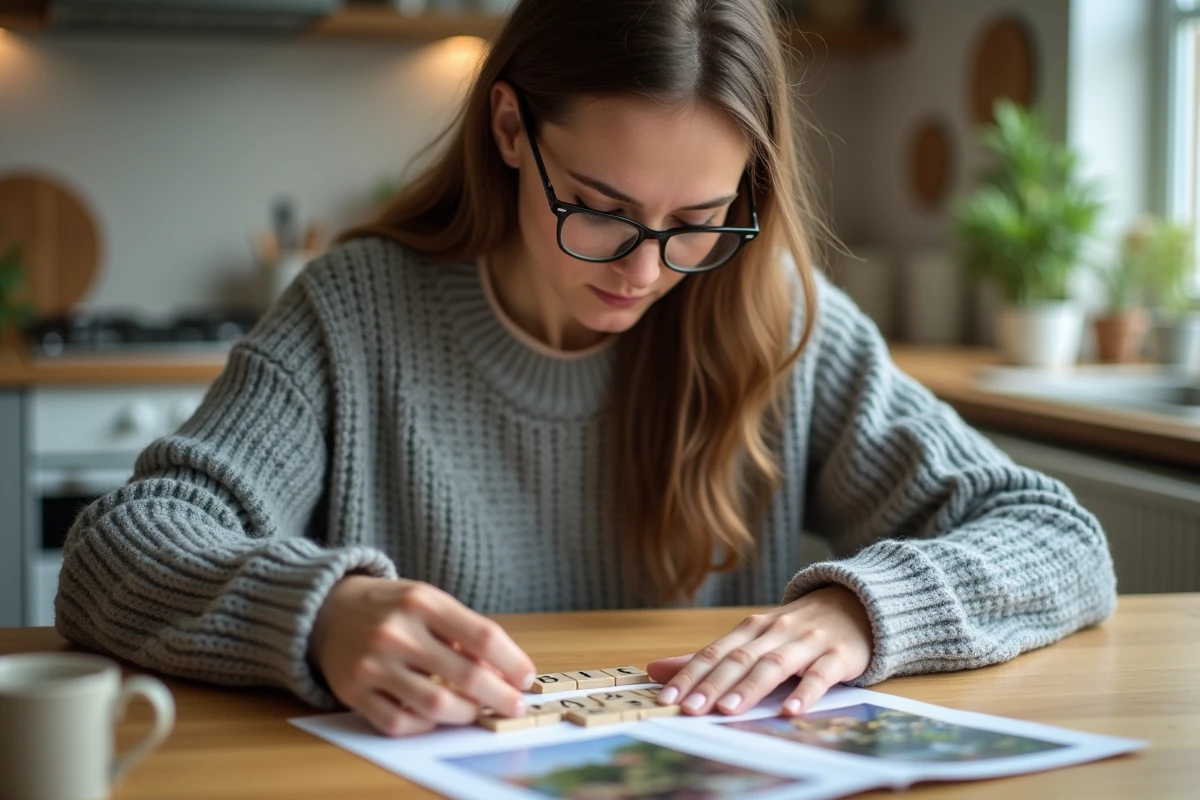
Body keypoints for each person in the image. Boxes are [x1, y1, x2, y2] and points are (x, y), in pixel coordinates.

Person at [55, 0, 1116, 738]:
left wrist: (862, 611)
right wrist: (321, 613)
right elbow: (115, 554)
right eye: (602, 210)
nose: (647, 271)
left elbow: (1058, 537)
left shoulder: (774, 314)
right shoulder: (356, 311)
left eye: (699, 221)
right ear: (512, 128)